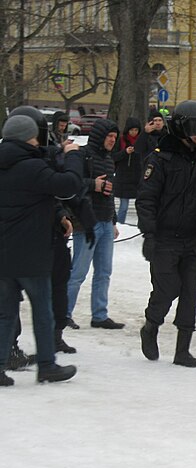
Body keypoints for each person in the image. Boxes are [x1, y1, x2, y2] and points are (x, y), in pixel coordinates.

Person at [137, 100, 196, 368]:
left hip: (195, 238)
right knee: (167, 289)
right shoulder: (161, 157)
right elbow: (147, 199)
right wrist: (149, 235)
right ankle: (151, 324)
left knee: (189, 293)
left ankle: (182, 350)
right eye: (194, 127)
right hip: (165, 237)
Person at [0, 115, 83, 385]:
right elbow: (68, 186)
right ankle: (47, 365)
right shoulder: (32, 167)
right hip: (31, 253)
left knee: (6, 313)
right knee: (43, 312)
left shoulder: (8, 163)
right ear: (29, 137)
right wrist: (71, 156)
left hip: (3, 254)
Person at [66, 118, 125, 330]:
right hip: (86, 223)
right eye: (109, 137)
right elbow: (70, 183)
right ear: (100, 136)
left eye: (114, 137)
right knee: (78, 273)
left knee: (104, 272)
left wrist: (114, 220)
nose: (112, 141)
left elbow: (109, 193)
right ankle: (64, 313)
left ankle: (99, 315)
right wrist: (94, 184)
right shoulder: (82, 155)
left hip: (105, 222)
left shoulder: (109, 160)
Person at [111, 117, 142, 224]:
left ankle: (141, 225)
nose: (134, 132)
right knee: (123, 206)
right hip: (123, 177)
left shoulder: (141, 141)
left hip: (137, 177)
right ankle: (120, 225)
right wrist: (125, 152)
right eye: (132, 130)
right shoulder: (121, 140)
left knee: (141, 205)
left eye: (136, 130)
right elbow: (114, 157)